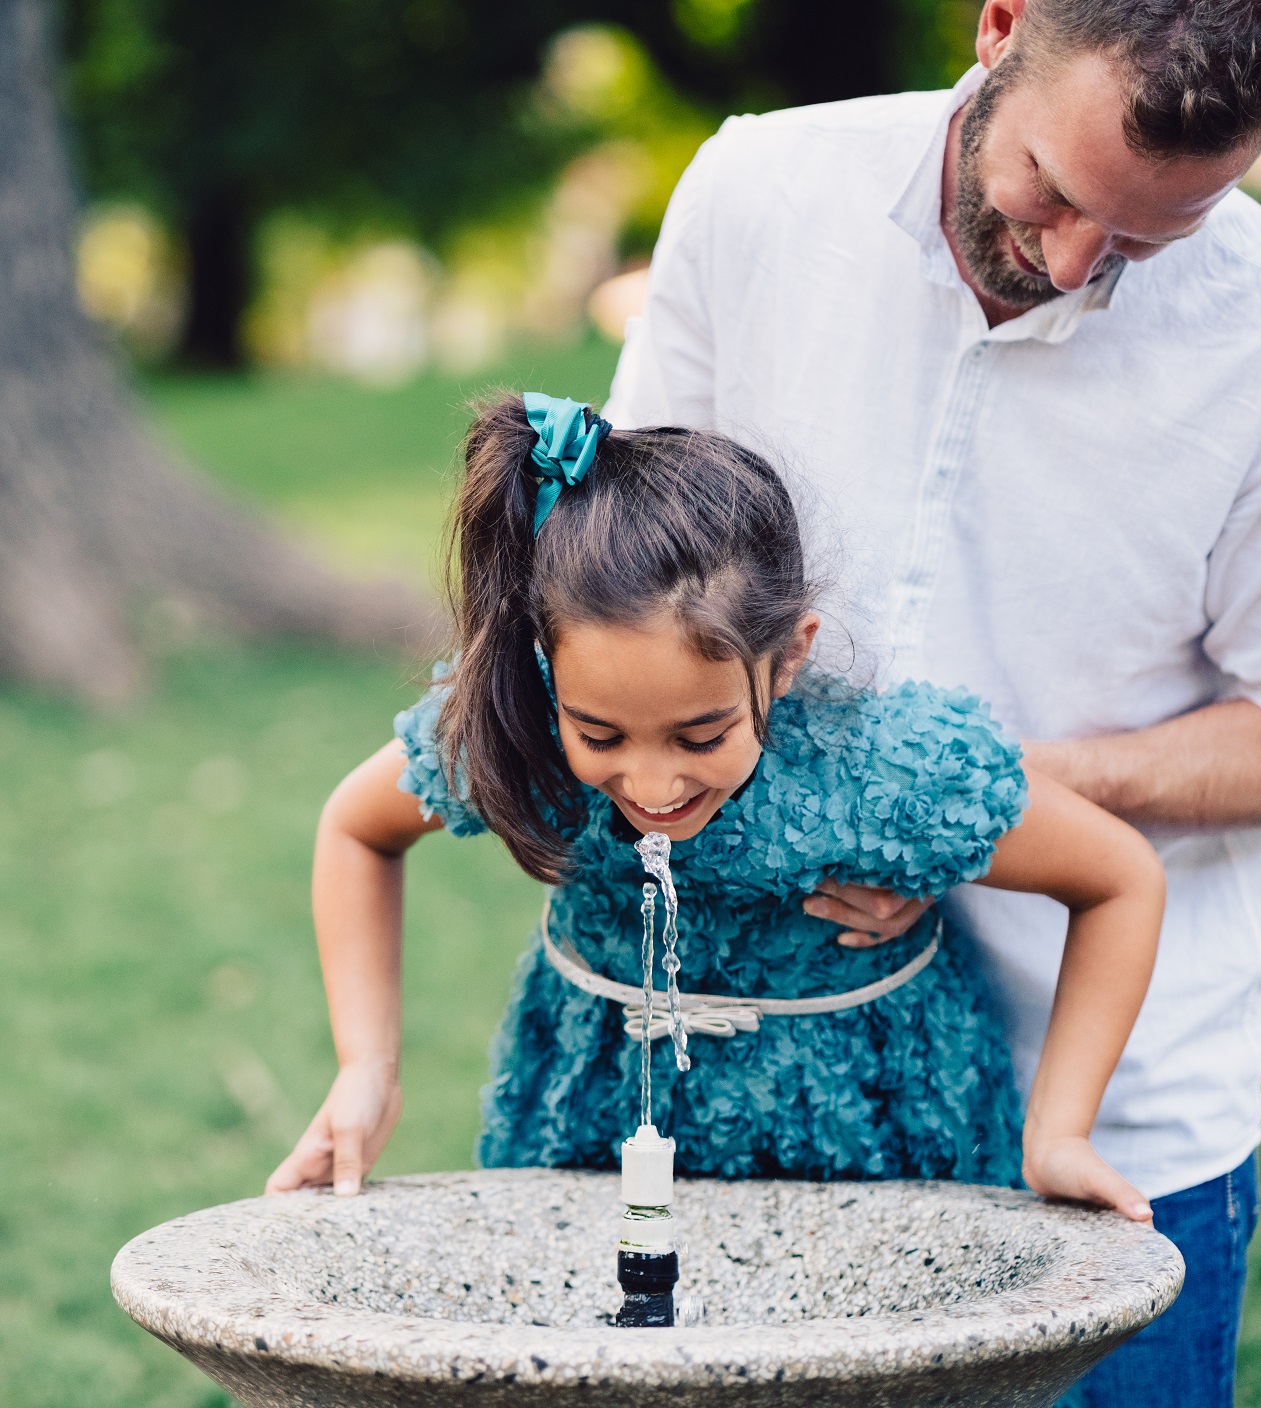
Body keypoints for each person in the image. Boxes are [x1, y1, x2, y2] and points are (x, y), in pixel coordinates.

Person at [599, 0, 1261, 1403]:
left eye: (1160, 231)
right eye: (1056, 191)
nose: (1079, 262)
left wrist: (980, 808)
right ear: (1001, 25)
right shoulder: (757, 192)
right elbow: (627, 566)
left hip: (1113, 1134)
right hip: (781, 1085)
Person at [267, 391, 1165, 1227]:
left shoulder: (877, 770)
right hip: (594, 1132)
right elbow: (358, 827)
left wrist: (1059, 1130)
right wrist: (366, 1069)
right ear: (550, 667)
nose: (653, 789)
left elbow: (1119, 877)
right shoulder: (523, 731)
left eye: (701, 738)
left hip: (869, 1151)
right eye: (602, 736)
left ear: (787, 660)